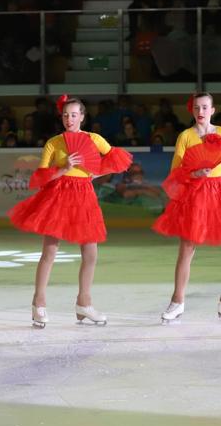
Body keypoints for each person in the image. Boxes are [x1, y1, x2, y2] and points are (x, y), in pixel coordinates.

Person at [8, 95, 132, 328]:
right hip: (58, 195)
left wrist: (96, 171)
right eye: (66, 115)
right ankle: (39, 303)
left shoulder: (94, 139)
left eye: (74, 114)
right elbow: (40, 178)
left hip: (84, 195)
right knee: (50, 251)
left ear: (82, 117)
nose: (69, 119)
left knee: (90, 252)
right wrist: (64, 168)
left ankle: (84, 303)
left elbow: (116, 157)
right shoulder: (54, 143)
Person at [152, 93, 221, 323]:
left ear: (212, 110)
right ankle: (177, 302)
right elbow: (175, 173)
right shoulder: (186, 136)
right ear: (191, 111)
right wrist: (194, 173)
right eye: (196, 108)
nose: (200, 111)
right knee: (187, 249)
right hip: (196, 195)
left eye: (204, 107)